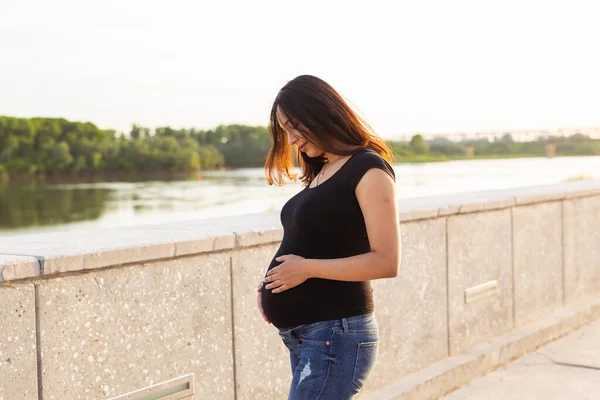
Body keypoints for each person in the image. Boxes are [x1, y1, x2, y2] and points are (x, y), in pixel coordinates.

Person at [257, 75, 401, 399]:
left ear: (320, 111)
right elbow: (319, 240)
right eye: (285, 130)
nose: (291, 139)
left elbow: (387, 261)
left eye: (295, 126)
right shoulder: (322, 171)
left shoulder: (368, 168)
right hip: (310, 335)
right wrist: (273, 282)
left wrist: (305, 269)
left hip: (336, 334)